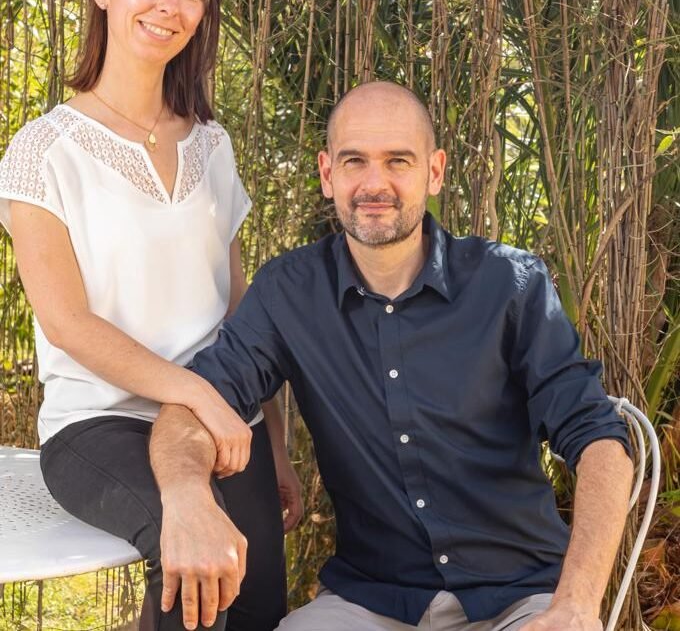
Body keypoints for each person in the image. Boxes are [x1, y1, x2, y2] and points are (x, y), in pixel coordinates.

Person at [151, 80, 634, 631]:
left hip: (518, 599)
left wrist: (575, 604)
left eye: (398, 161)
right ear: (327, 173)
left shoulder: (510, 284)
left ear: (434, 171)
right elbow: (194, 404)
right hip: (374, 601)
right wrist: (186, 496)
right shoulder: (290, 292)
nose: (374, 184)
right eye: (355, 161)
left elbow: (600, 441)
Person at [0, 0, 301, 631]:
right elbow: (67, 323)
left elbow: (239, 318)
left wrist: (277, 446)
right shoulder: (43, 152)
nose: (172, 4)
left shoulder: (213, 146)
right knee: (194, 553)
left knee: (259, 611)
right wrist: (200, 394)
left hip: (225, 418)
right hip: (101, 424)